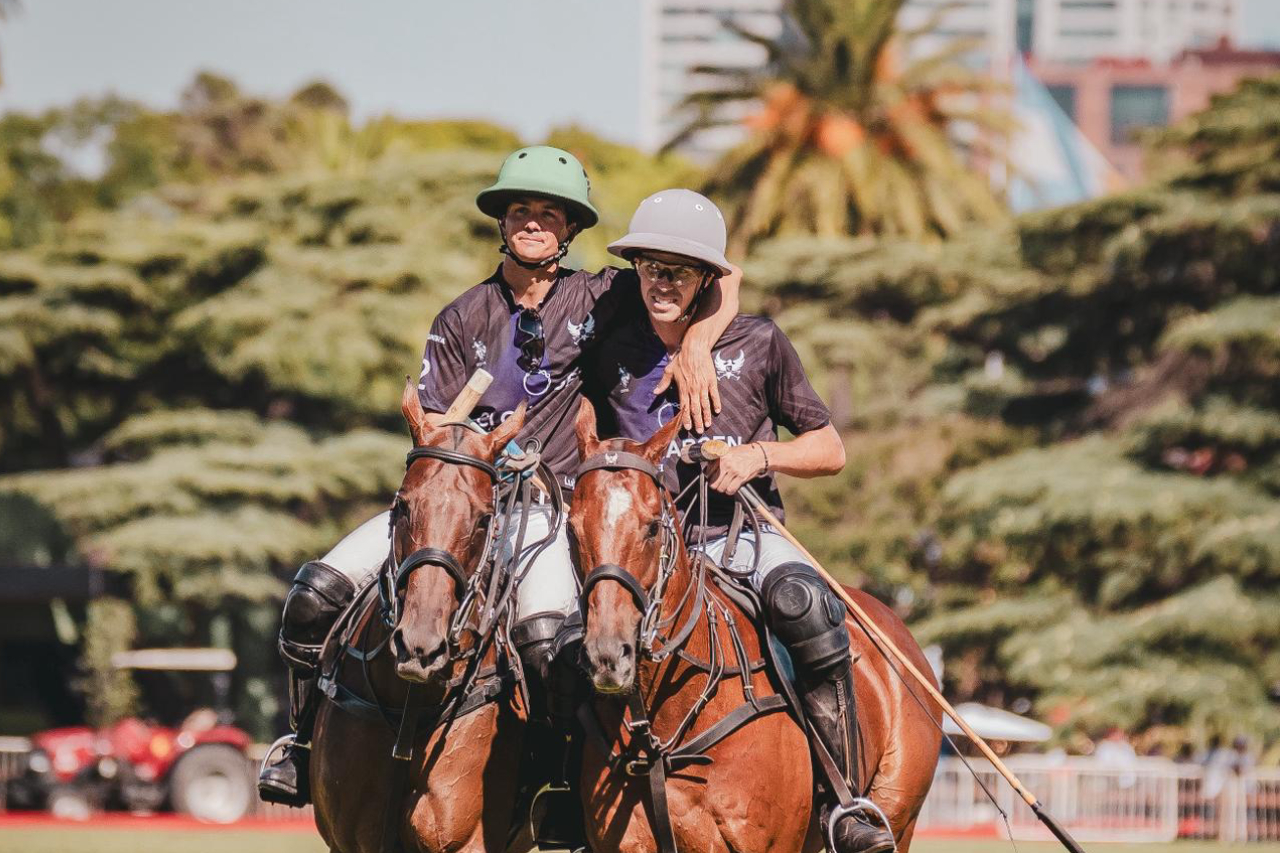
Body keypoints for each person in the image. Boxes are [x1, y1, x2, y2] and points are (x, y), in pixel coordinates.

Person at [258, 147, 740, 825]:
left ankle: (553, 786)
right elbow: (433, 425)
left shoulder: (601, 295)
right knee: (314, 596)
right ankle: (300, 740)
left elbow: (721, 277)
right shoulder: (461, 316)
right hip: (459, 501)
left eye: (549, 213)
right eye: (521, 210)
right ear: (502, 222)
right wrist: (468, 446)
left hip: (546, 508)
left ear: (570, 227)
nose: (533, 223)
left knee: (545, 644)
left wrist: (697, 343)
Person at [585, 188, 893, 853]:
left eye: (679, 271)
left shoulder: (759, 342)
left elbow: (830, 449)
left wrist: (759, 455)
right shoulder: (612, 347)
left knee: (807, 605)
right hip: (647, 548)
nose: (662, 284)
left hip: (741, 537)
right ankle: (560, 792)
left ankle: (845, 801)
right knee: (564, 627)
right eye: (651, 268)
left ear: (706, 278)